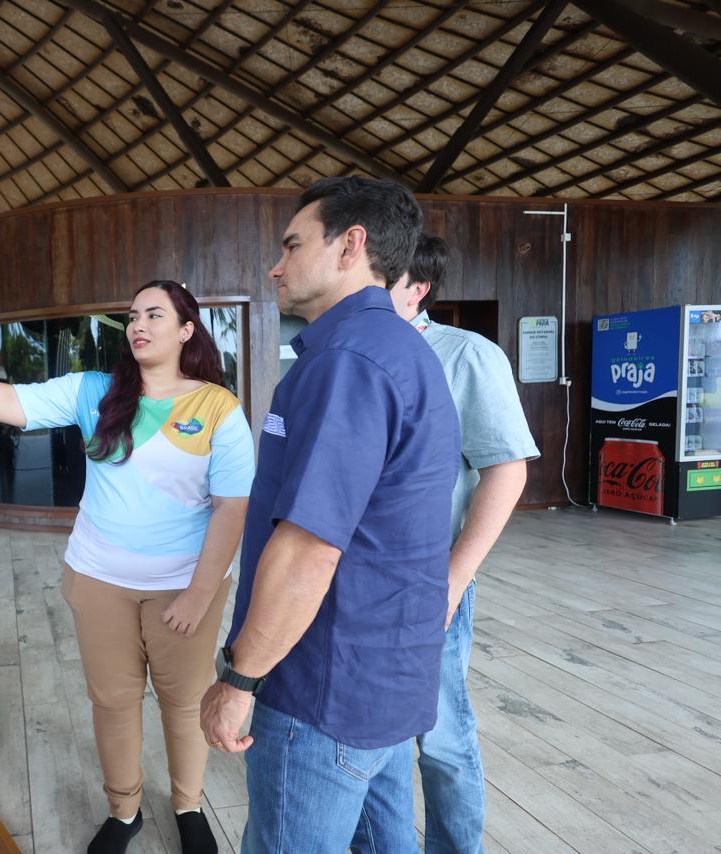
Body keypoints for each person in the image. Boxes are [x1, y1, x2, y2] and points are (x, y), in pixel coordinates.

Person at [0, 281, 254, 854]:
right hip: (98, 581)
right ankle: (124, 813)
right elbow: (11, 402)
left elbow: (231, 508)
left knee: (183, 701)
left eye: (155, 314)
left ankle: (189, 804)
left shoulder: (217, 407)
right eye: (132, 316)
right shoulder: (96, 391)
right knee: (113, 701)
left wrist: (198, 595)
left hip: (183, 588)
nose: (139, 324)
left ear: (187, 330)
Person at [199, 176, 460, 853]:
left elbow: (311, 547)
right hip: (388, 685)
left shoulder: (347, 362)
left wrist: (239, 678)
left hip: (320, 688)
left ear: (352, 244)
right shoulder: (407, 352)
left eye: (291, 245)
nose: (275, 265)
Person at [359, 234, 538, 854]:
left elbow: (507, 470)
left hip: (429, 579)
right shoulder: (352, 352)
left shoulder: (466, 356)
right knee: (367, 731)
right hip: (354, 579)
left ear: (418, 289)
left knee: (441, 737)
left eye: (381, 282)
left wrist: (452, 582)